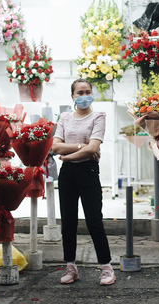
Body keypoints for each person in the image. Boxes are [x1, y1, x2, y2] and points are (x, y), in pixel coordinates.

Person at [52, 78, 116, 286]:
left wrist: (68, 155)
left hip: (87, 170)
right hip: (67, 173)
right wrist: (81, 145)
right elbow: (55, 147)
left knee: (94, 220)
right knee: (68, 221)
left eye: (87, 91)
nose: (84, 96)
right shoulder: (65, 117)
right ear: (72, 96)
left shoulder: (98, 116)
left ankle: (106, 267)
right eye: (79, 92)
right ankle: (71, 267)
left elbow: (93, 148)